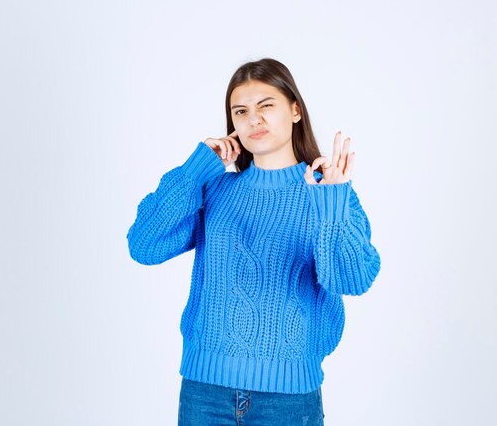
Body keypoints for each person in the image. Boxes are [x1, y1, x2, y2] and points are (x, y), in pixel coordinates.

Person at [126, 57, 381, 425]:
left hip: (288, 399)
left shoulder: (328, 193)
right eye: (240, 111)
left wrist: (333, 202)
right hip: (205, 391)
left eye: (266, 106)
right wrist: (196, 169)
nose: (253, 119)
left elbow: (353, 279)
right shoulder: (215, 189)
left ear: (295, 110)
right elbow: (144, 244)